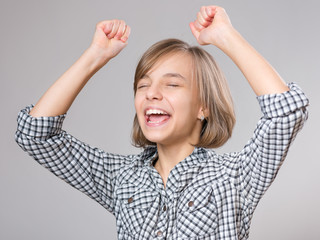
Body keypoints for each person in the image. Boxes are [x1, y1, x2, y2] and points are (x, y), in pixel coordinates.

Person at [15, 5, 309, 240]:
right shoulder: (121, 179)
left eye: (171, 85)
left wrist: (226, 37)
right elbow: (35, 135)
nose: (151, 94)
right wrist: (94, 57)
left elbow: (286, 113)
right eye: (142, 86)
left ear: (203, 107)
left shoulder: (234, 178)